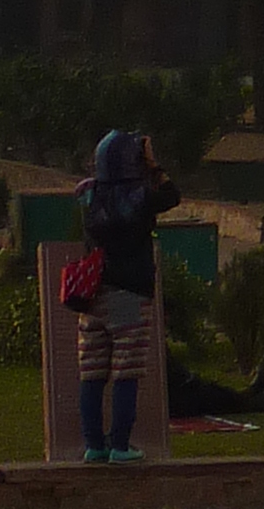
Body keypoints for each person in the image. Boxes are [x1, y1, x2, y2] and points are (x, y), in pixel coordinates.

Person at [70, 127, 181, 465]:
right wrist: (153, 165)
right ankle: (120, 445)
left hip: (92, 294)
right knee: (125, 371)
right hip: (130, 293)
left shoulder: (89, 195)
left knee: (92, 372)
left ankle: (94, 445)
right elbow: (172, 195)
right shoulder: (140, 197)